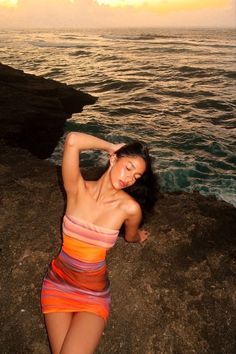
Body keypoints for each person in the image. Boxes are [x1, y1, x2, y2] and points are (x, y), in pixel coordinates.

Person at [41, 132, 158, 354]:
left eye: (137, 176)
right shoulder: (77, 189)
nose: (130, 178)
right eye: (129, 167)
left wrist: (139, 236)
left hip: (92, 295)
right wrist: (110, 146)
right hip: (58, 283)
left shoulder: (130, 209)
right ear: (114, 159)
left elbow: (130, 236)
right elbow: (73, 140)